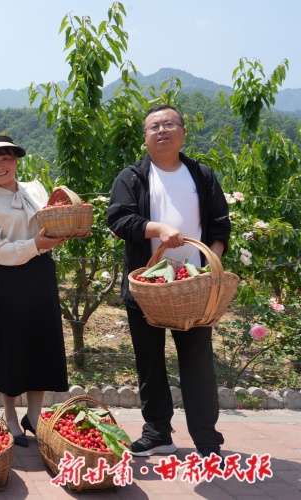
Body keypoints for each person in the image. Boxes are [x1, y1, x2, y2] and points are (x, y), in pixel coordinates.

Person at [107, 104, 231, 458]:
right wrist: (158, 229)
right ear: (145, 137)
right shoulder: (131, 177)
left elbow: (220, 226)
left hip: (193, 287)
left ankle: (207, 442)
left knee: (198, 365)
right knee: (149, 362)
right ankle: (158, 432)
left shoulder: (202, 176)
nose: (161, 131)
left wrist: (212, 262)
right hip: (147, 287)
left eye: (168, 124)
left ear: (183, 132)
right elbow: (119, 220)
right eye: (153, 127)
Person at [0, 135, 69, 448]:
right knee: (14, 345)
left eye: (5, 158)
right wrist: (34, 245)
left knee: (44, 341)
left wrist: (56, 235)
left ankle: (36, 414)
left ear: (16, 160)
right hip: (12, 276)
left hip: (42, 271)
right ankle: (12, 415)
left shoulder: (36, 187)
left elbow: (52, 217)